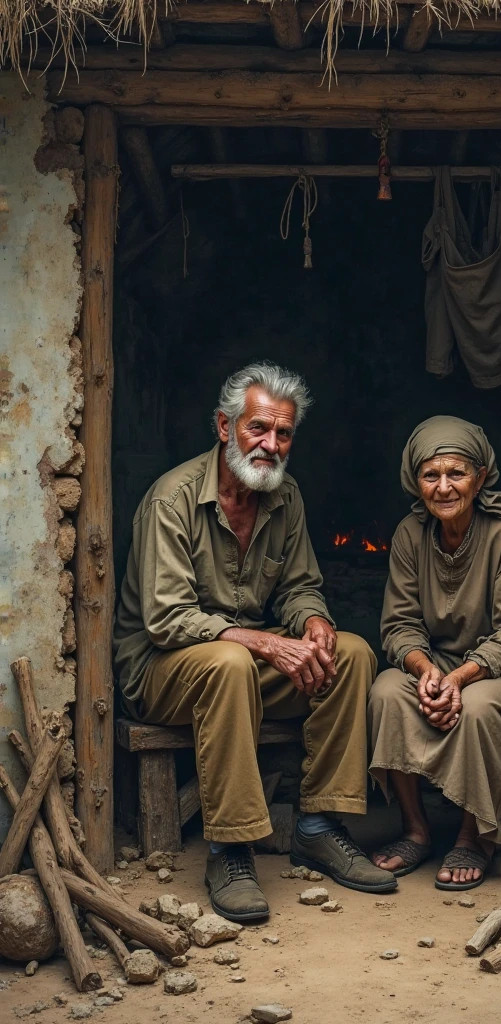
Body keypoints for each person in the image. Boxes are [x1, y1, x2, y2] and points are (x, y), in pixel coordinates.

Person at [114, 362, 397, 922]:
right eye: (258, 429)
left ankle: (318, 827)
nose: (271, 444)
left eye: (284, 433)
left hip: (238, 663)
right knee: (229, 662)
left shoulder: (284, 497)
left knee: (353, 653)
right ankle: (231, 851)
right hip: (160, 669)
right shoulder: (171, 500)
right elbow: (167, 619)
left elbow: (298, 587)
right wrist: (265, 645)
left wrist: (313, 619)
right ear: (224, 427)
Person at [368, 416, 501, 890]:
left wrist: (455, 682)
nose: (443, 487)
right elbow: (399, 624)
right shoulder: (408, 535)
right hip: (442, 664)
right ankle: (415, 830)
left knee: (475, 709)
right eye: (430, 476)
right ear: (414, 482)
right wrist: (427, 672)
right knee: (386, 692)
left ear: (480, 477)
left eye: (456, 474)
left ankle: (476, 836)